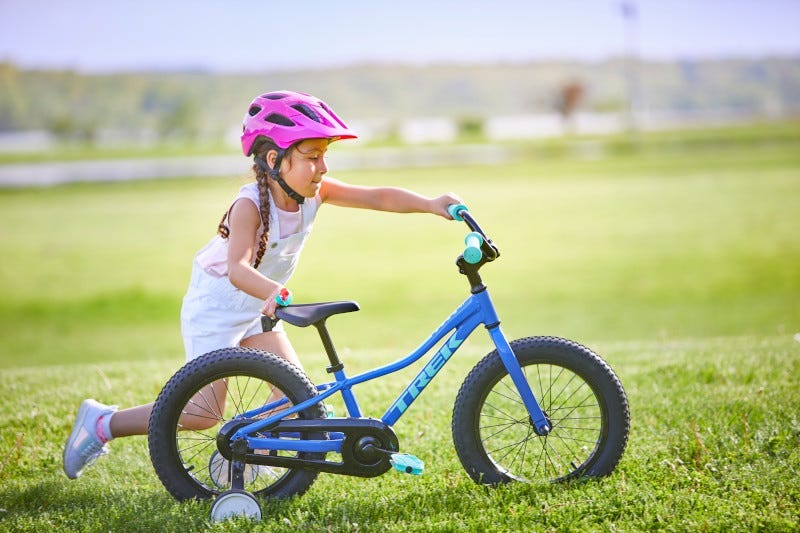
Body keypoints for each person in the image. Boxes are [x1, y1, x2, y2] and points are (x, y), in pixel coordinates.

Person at [63, 90, 462, 479]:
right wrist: (271, 292)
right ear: (275, 159)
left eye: (325, 156)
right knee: (201, 414)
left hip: (258, 308)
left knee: (294, 397)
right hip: (217, 307)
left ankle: (243, 457)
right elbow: (236, 269)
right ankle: (102, 423)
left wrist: (429, 203)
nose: (322, 167)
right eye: (312, 157)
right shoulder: (249, 205)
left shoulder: (314, 194)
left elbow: (377, 197)